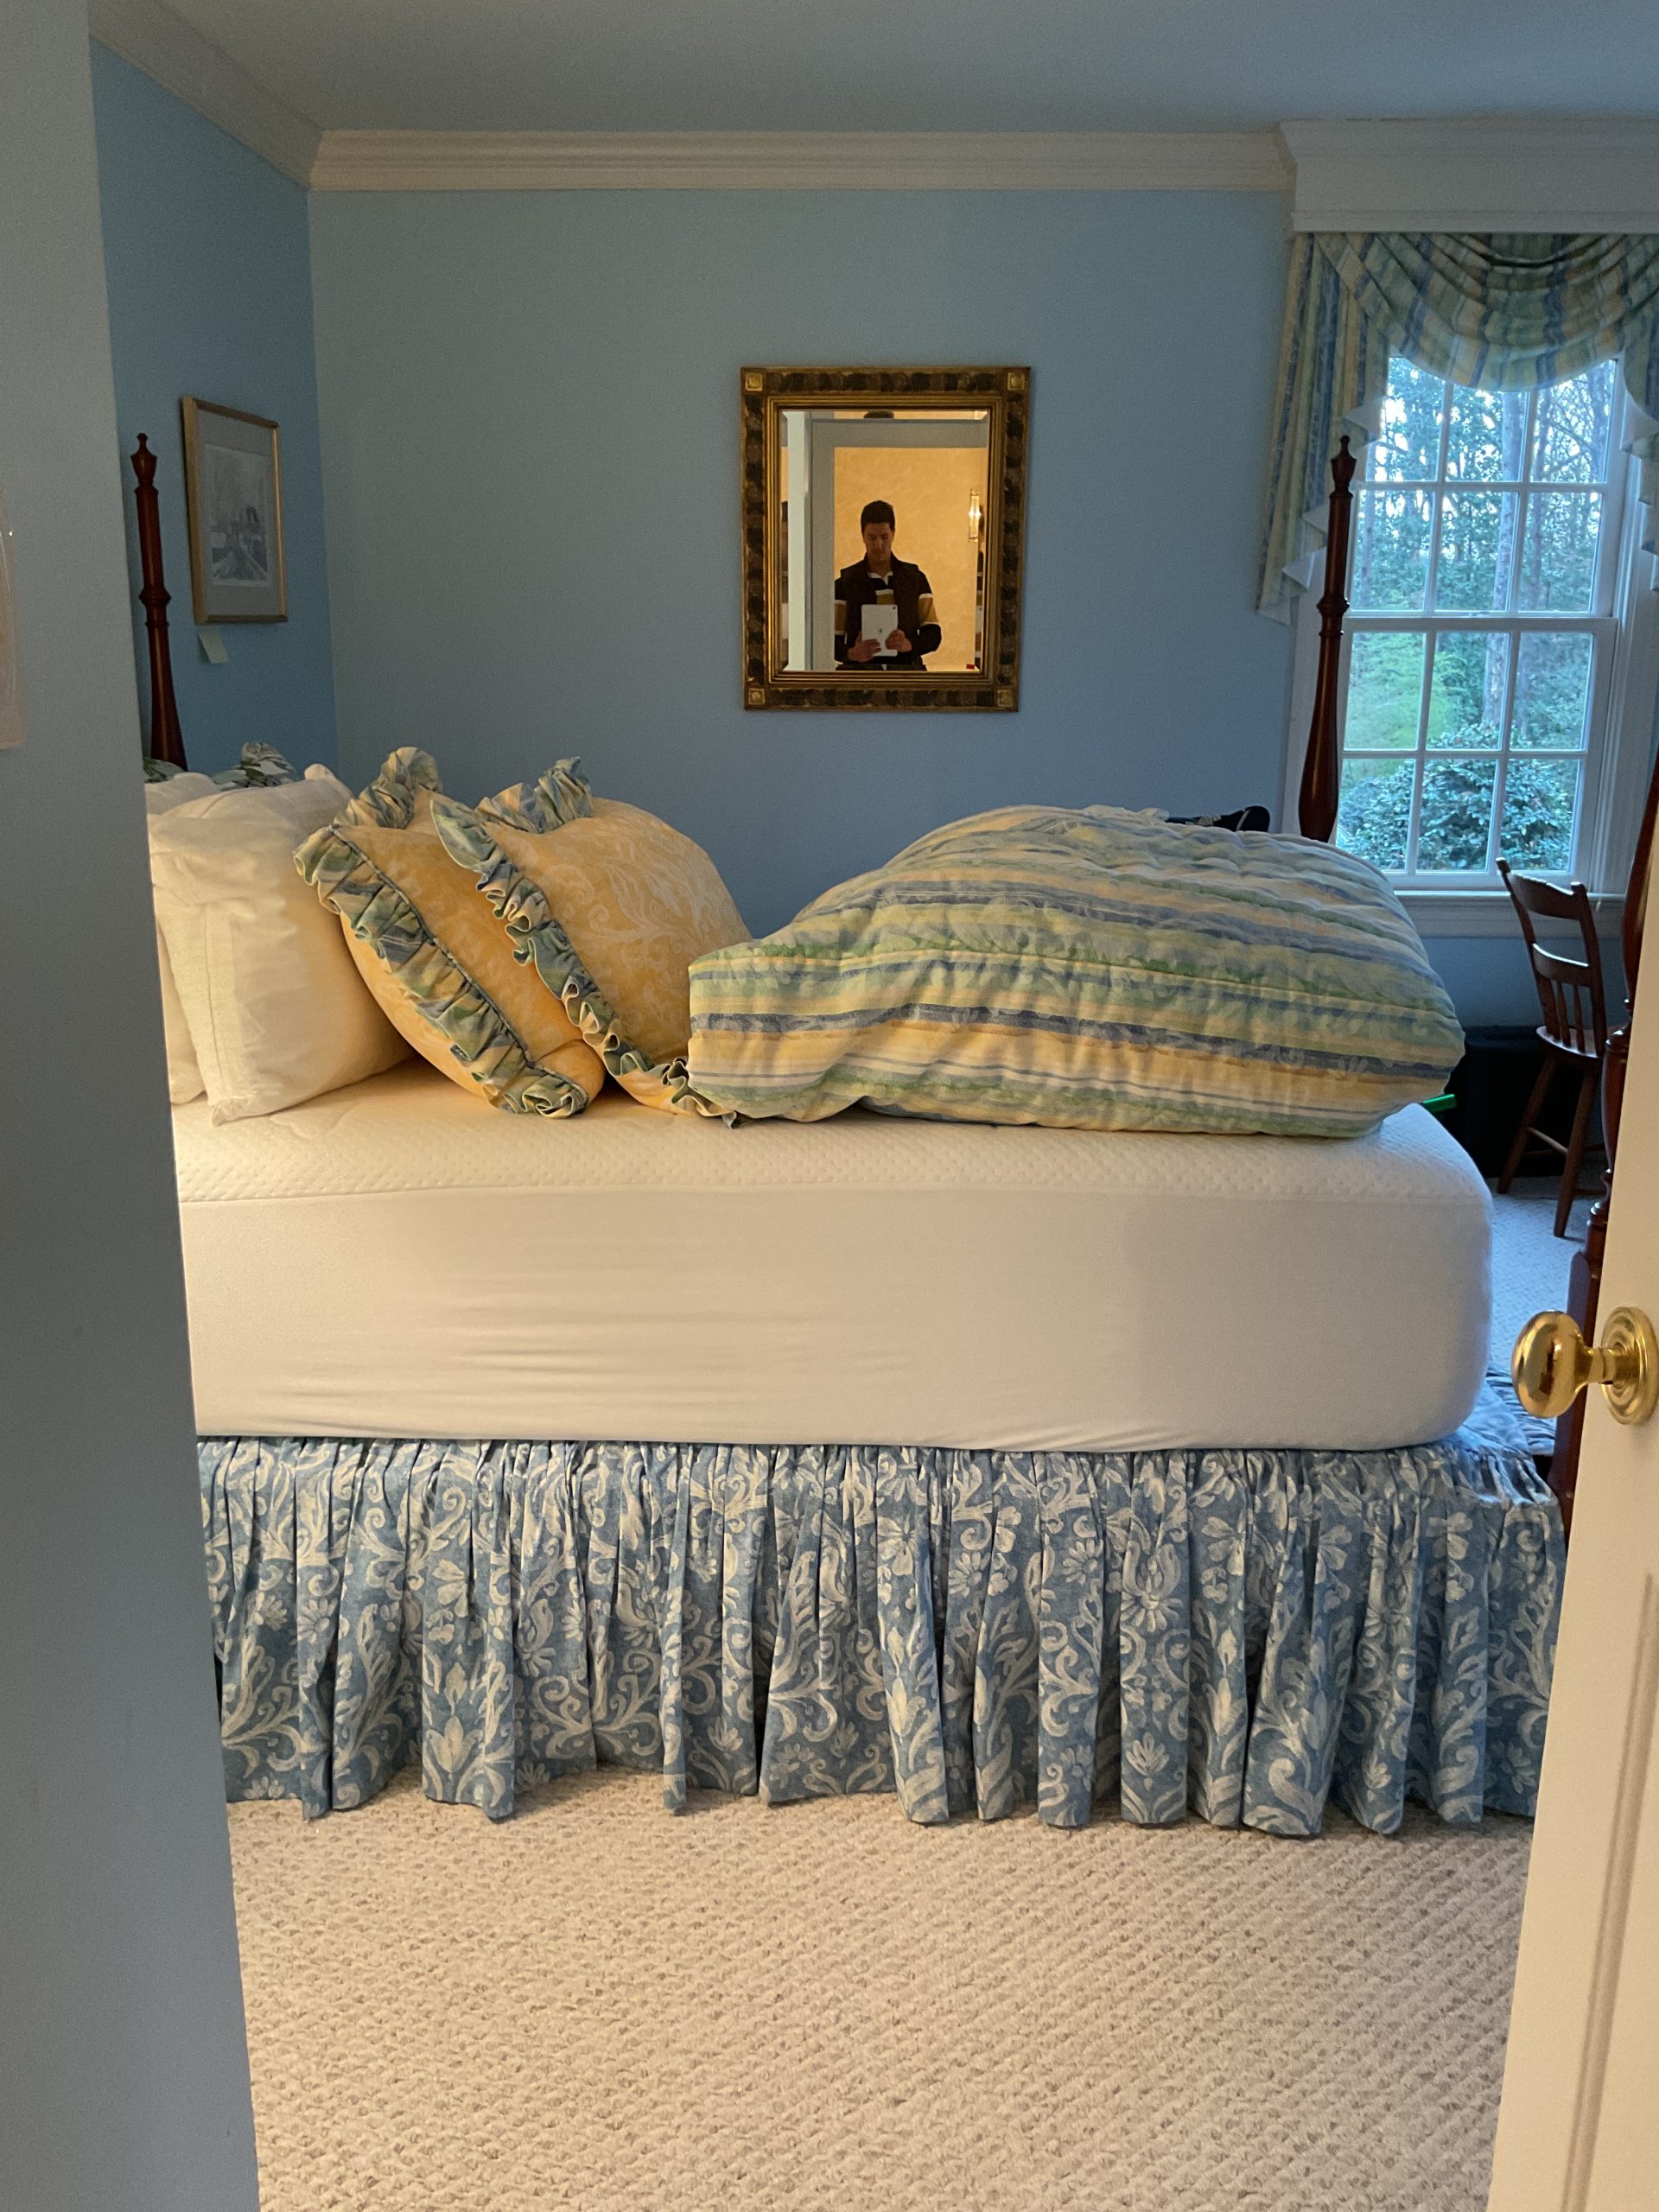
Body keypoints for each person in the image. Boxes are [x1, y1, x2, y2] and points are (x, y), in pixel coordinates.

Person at [834, 500, 942, 670]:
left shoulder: (915, 579)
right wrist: (852, 653)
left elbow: (933, 634)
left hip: (906, 675)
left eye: (884, 537)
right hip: (859, 677)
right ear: (863, 536)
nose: (878, 545)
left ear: (893, 534)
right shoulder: (845, 583)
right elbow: (830, 640)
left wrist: (909, 644)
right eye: (871, 537)